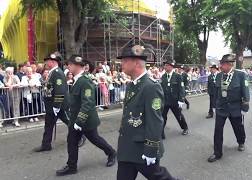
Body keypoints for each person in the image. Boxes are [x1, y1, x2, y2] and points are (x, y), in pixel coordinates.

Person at [116, 44, 178, 180]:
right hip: (127, 148)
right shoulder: (132, 85)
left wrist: (151, 149)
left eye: (125, 61)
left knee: (159, 177)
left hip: (141, 149)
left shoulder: (150, 87)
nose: (122, 64)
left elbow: (155, 121)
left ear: (137, 63)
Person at [56, 55, 116, 176]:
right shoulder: (77, 80)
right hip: (75, 119)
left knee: (95, 139)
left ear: (78, 66)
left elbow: (87, 103)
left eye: (70, 64)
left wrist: (79, 121)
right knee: (71, 141)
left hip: (86, 120)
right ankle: (72, 166)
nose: (68, 66)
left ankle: (111, 153)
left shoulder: (85, 81)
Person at [33, 52, 85, 152]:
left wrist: (56, 106)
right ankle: (46, 145)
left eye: (47, 61)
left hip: (59, 105)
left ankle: (80, 136)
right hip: (51, 105)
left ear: (52, 62)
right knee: (48, 125)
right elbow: (50, 88)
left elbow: (60, 90)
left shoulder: (57, 73)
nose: (46, 63)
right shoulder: (52, 72)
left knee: (70, 122)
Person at [207, 54, 250, 163]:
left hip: (235, 107)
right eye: (221, 64)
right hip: (221, 108)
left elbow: (245, 91)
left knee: (238, 127)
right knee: (218, 130)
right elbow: (216, 92)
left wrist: (245, 106)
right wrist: (214, 106)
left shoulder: (240, 75)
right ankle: (217, 153)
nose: (221, 66)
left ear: (230, 64)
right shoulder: (219, 76)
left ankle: (241, 142)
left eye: (223, 64)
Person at [161, 59, 189, 139]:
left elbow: (181, 89)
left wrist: (181, 100)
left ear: (171, 67)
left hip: (175, 101)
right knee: (162, 117)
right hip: (165, 100)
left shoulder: (178, 76)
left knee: (179, 116)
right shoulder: (163, 76)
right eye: (165, 65)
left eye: (166, 65)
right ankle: (161, 132)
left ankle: (185, 128)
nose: (165, 67)